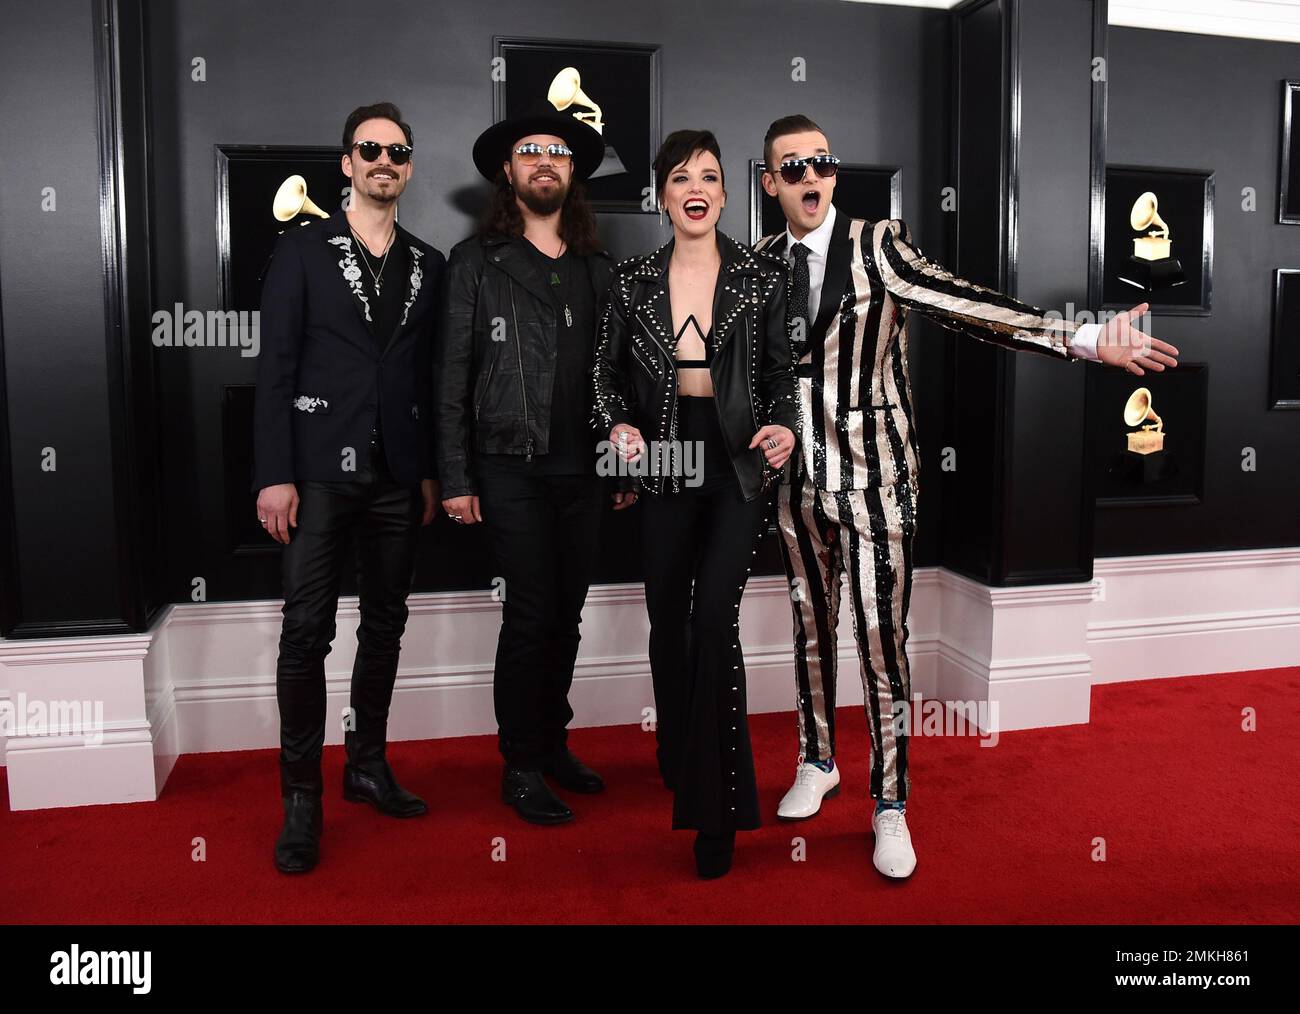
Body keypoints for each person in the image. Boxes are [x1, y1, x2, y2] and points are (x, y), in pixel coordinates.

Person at [754, 114, 1181, 879]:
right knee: (810, 627)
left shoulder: (878, 243)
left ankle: (890, 805)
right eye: (792, 167)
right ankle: (818, 758)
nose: (810, 176)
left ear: (834, 172)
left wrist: (1080, 337)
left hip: (876, 476)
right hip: (793, 483)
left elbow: (965, 303)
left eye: (820, 162)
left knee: (882, 645)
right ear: (769, 182)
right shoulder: (756, 264)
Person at [593, 129, 798, 879]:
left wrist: (786, 425)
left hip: (737, 462)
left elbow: (782, 374)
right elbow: (605, 378)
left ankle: (719, 811)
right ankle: (677, 749)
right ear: (662, 195)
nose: (696, 187)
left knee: (713, 619)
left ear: (724, 191)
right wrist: (616, 425)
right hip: (665, 457)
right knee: (667, 620)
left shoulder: (764, 276)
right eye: (681, 177)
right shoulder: (631, 280)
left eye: (709, 175)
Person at [253, 102, 446, 874]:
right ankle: (301, 796)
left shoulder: (429, 262)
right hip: (317, 474)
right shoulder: (300, 250)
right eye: (370, 149)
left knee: (387, 624)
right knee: (306, 632)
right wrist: (274, 473)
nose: (384, 161)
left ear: (407, 166)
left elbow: (427, 376)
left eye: (397, 151)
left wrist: (429, 467)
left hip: (399, 475)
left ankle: (366, 763)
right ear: (346, 162)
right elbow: (275, 368)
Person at [437, 103, 632, 826]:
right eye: (529, 152)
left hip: (585, 470)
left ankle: (552, 743)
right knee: (529, 615)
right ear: (507, 173)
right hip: (508, 466)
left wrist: (623, 469)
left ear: (572, 171)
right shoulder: (474, 263)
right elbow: (451, 376)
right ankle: (518, 764)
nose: (544, 161)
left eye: (557, 151)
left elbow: (617, 377)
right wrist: (455, 478)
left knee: (568, 616)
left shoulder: (598, 266)